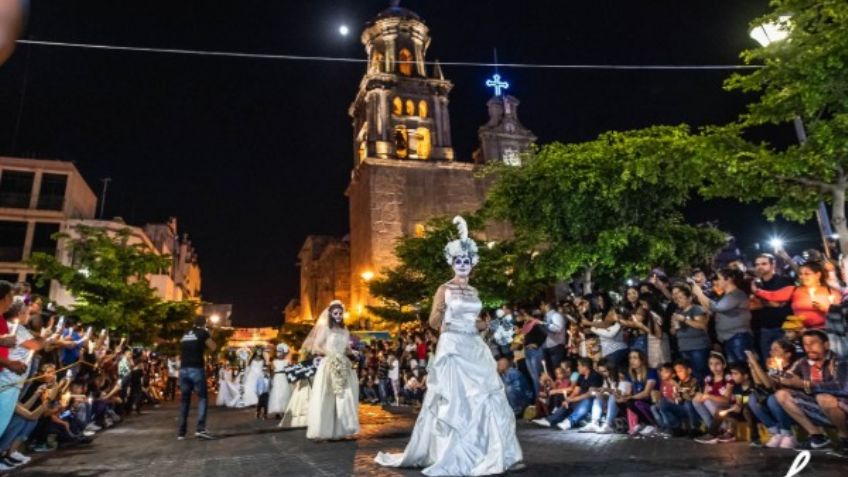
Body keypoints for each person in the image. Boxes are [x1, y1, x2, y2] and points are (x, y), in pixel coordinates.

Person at [376, 216, 524, 475]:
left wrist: (491, 327)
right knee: (456, 399)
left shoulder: (475, 292)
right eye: (459, 261)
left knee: (485, 396)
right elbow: (434, 319)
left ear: (471, 264)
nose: (463, 265)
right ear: (452, 264)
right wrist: (445, 324)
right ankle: (452, 452)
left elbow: (477, 322)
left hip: (474, 346)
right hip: (454, 346)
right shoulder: (443, 289)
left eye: (467, 261)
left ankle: (494, 451)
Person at [773, 329, 848, 452]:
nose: (808, 347)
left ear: (826, 345)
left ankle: (845, 438)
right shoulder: (803, 362)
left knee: (823, 397)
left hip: (842, 407)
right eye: (805, 344)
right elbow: (788, 376)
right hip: (819, 408)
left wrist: (805, 384)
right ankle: (817, 437)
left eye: (813, 343)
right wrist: (777, 374)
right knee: (781, 395)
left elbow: (842, 387)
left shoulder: (840, 361)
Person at [305, 300, 359, 440]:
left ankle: (341, 428)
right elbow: (316, 346)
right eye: (336, 313)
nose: (339, 315)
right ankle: (326, 430)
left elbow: (346, 348)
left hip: (343, 364)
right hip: (329, 364)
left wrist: (352, 352)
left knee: (344, 396)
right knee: (328, 396)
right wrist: (330, 354)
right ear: (330, 314)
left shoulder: (345, 329)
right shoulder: (326, 329)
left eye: (341, 313)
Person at [752, 260, 843, 330]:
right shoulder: (794, 290)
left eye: (807, 274)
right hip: (801, 332)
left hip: (828, 332)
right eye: (801, 274)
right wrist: (756, 290)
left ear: (818, 275)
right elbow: (772, 295)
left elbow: (842, 313)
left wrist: (825, 308)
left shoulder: (831, 292)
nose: (802, 277)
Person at [691, 268, 753, 364]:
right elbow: (712, 309)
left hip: (738, 338)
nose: (717, 281)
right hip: (729, 339)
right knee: (735, 369)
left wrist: (699, 293)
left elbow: (717, 307)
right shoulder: (725, 296)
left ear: (728, 279)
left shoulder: (737, 294)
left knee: (742, 367)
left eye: (719, 278)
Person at [177, 316, 216, 441]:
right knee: (203, 398)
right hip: (196, 368)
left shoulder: (186, 333)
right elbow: (213, 347)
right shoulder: (203, 333)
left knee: (184, 400)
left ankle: (181, 432)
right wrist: (210, 335)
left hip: (183, 369)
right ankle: (200, 429)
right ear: (204, 324)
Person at [670, 284, 711, 382]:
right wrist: (674, 326)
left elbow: (702, 325)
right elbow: (672, 332)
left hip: (698, 346)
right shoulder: (677, 311)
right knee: (691, 374)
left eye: (681, 297)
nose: (678, 300)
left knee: (701, 372)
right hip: (684, 347)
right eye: (677, 298)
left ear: (689, 298)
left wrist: (684, 319)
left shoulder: (696, 309)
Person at [268, 344, 294, 417]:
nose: (279, 354)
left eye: (281, 352)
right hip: (277, 378)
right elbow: (272, 371)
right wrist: (271, 380)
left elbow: (290, 370)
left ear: (284, 353)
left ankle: (284, 409)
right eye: (278, 352)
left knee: (285, 392)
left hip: (284, 378)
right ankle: (277, 411)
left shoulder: (287, 361)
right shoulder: (274, 361)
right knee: (277, 393)